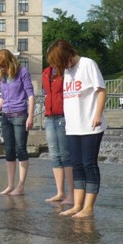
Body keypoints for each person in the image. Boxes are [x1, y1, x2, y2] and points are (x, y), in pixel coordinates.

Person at [47, 39, 107, 219]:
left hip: (90, 125)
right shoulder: (67, 71)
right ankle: (77, 205)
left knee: (89, 164)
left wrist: (97, 114)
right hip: (72, 126)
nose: (61, 66)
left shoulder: (87, 64)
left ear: (68, 55)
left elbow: (101, 90)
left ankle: (88, 207)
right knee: (77, 166)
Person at [0, 49, 35, 196]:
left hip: (20, 114)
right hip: (6, 115)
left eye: (3, 65)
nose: (1, 69)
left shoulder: (22, 72)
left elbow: (30, 94)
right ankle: (10, 185)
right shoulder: (3, 77)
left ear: (10, 62)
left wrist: (31, 116)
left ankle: (20, 186)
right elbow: (2, 96)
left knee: (20, 149)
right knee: (9, 150)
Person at [42, 63, 74, 204]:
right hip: (49, 116)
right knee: (54, 156)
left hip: (62, 116)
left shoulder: (66, 72)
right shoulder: (46, 73)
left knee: (65, 155)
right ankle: (60, 193)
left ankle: (72, 194)